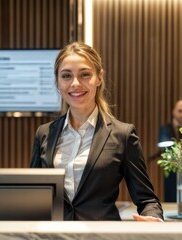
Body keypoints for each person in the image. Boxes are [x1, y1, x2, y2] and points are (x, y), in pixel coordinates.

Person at [30, 41, 163, 221]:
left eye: (85, 74)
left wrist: (153, 218)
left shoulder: (122, 134)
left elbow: (147, 200)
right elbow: (33, 193)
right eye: (66, 76)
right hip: (54, 235)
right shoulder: (44, 133)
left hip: (101, 236)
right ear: (58, 82)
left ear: (99, 78)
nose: (75, 83)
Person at [158, 99, 182, 202]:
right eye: (180, 111)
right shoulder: (165, 128)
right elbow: (164, 149)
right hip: (172, 174)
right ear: (173, 111)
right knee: (171, 199)